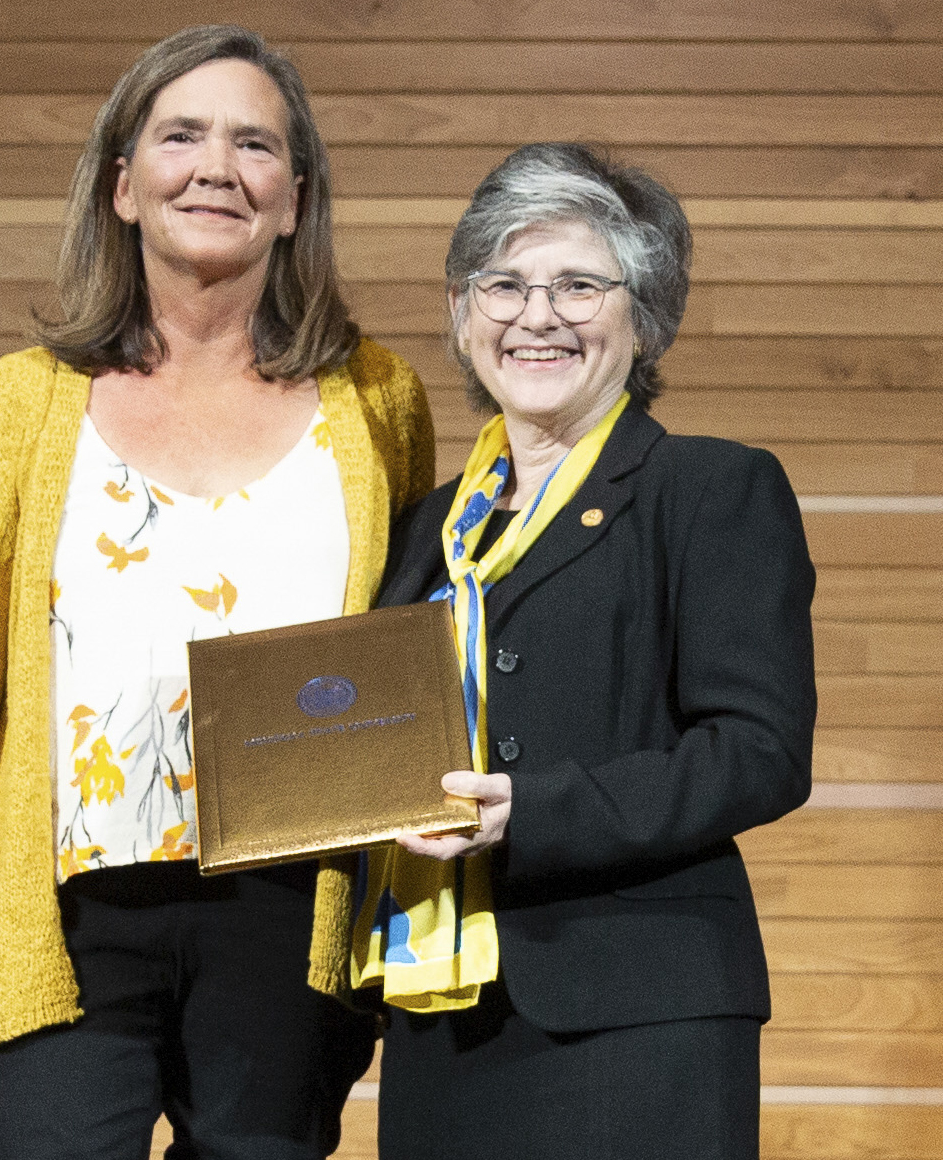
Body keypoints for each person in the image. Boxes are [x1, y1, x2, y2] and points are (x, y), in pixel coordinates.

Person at [0, 24, 434, 1160]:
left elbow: (407, 653)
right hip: (69, 920)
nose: (217, 167)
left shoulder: (377, 399)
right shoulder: (20, 405)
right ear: (124, 185)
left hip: (292, 919)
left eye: (255, 145)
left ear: (294, 199)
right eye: (180, 136)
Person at [336, 143, 816, 1159]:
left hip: (636, 1009)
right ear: (466, 315)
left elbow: (759, 751)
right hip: (442, 1010)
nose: (536, 316)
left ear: (646, 315)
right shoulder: (428, 527)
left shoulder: (708, 488)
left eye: (579, 286)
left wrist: (537, 810)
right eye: (502, 285)